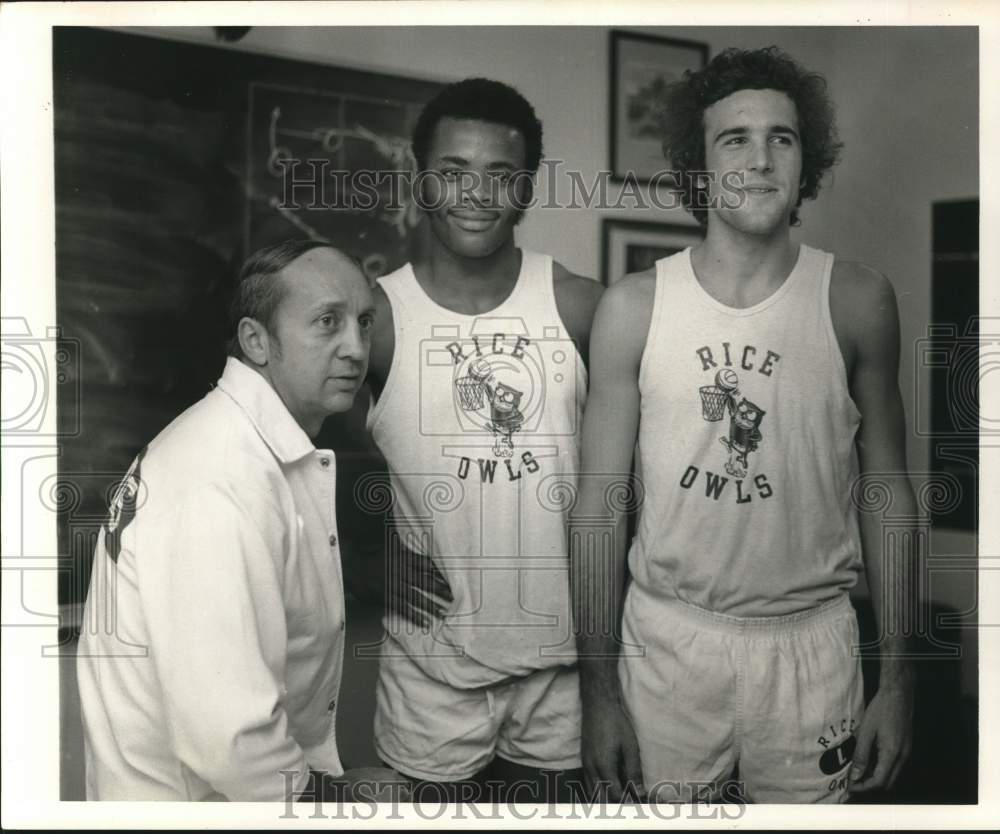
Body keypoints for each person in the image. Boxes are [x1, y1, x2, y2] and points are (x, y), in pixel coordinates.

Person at [573, 47, 916, 804]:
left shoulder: (858, 300)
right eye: (734, 139)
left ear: (807, 162)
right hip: (667, 641)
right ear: (697, 167)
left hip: (812, 645)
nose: (760, 159)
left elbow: (887, 493)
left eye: (781, 138)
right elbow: (599, 505)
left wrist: (899, 679)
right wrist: (597, 694)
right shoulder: (633, 307)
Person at [345, 77, 604, 801]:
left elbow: (637, 472)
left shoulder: (580, 305)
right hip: (432, 671)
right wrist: (360, 554)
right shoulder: (375, 317)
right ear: (420, 175)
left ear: (526, 189)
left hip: (564, 670)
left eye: (500, 175)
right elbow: (283, 454)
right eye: (454, 171)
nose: (475, 194)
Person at [77, 240, 404, 801]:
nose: (356, 347)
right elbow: (229, 741)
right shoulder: (219, 477)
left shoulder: (248, 447)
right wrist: (342, 801)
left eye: (364, 321)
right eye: (328, 322)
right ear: (256, 341)